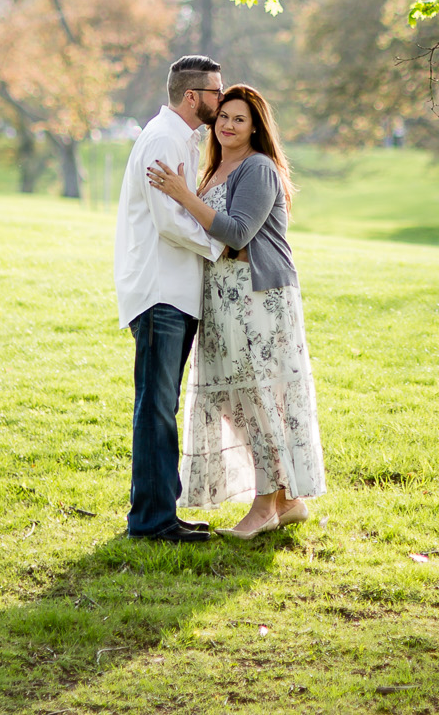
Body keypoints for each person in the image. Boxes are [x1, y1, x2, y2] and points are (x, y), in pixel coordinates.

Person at [147, 85, 326, 538]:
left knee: (260, 396)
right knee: (231, 398)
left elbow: (238, 232)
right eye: (223, 116)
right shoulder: (215, 168)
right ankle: (287, 499)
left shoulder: (259, 168)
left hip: (257, 297)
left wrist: (183, 194)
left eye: (239, 119)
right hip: (222, 296)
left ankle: (265, 505)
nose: (227, 124)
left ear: (255, 127)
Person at [113, 54, 224, 543]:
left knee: (161, 405)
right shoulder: (163, 139)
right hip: (160, 292)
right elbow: (168, 222)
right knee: (156, 406)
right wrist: (222, 243)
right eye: (216, 92)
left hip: (174, 292)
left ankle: (161, 512)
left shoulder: (180, 139)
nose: (222, 101)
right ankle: (152, 521)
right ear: (192, 96)